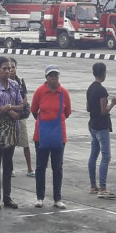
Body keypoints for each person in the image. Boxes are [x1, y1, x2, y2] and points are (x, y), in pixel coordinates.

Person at [31, 65, 72, 209]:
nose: (54, 79)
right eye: (51, 76)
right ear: (46, 78)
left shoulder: (63, 93)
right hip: (41, 135)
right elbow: (34, 110)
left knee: (57, 167)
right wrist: (44, 123)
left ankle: (57, 198)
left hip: (58, 135)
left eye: (56, 76)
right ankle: (39, 197)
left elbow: (67, 112)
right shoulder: (40, 91)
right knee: (41, 166)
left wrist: (55, 122)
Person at [0, 56, 24, 210]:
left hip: (11, 131)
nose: (7, 71)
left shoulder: (14, 85)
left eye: (9, 68)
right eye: (4, 68)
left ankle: (7, 197)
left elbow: (21, 105)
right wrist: (6, 111)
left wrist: (9, 107)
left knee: (8, 165)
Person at [86, 62, 116, 199]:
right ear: (103, 73)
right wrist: (113, 104)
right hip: (101, 126)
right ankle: (102, 188)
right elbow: (104, 111)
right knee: (106, 156)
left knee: (93, 155)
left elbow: (88, 108)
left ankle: (93, 186)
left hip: (92, 124)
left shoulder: (90, 88)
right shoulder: (101, 90)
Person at [9, 58, 35, 177]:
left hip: (20, 116)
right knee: (10, 144)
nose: (11, 70)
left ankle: (29, 168)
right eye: (9, 67)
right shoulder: (3, 83)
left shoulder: (20, 82)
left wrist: (21, 107)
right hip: (9, 116)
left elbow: (25, 97)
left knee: (25, 143)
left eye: (13, 67)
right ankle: (10, 168)